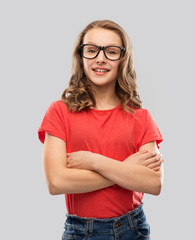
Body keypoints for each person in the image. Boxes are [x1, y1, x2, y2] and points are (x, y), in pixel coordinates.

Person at [38, 19, 164, 240]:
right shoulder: (59, 112)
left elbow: (153, 183)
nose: (101, 58)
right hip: (80, 231)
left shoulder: (141, 118)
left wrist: (95, 161)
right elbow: (56, 182)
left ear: (122, 59)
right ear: (81, 56)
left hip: (132, 228)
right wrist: (126, 170)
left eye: (111, 51)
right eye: (92, 50)